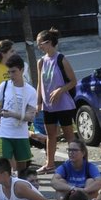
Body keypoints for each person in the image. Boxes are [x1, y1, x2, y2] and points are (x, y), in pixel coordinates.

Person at [36, 29, 80, 173]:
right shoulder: (41, 62)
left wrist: (60, 90)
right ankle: (49, 164)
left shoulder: (61, 59)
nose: (39, 47)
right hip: (48, 106)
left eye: (40, 44)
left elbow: (73, 81)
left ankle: (78, 162)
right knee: (50, 135)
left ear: (49, 43)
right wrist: (38, 103)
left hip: (63, 105)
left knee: (69, 135)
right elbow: (39, 84)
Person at [0, 55, 38, 177]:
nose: (11, 75)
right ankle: (5, 191)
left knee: (22, 168)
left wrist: (12, 114)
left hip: (21, 134)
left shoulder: (31, 91)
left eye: (14, 72)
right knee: (3, 165)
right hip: (5, 133)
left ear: (22, 70)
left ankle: (20, 191)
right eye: (9, 72)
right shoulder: (4, 85)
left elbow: (31, 117)